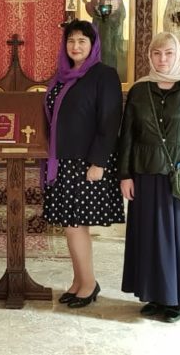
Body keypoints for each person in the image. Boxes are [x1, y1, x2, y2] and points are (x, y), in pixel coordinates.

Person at [118, 31, 180, 323]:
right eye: (157, 53)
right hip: (145, 173)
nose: (162, 59)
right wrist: (125, 174)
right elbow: (128, 136)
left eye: (169, 53)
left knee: (178, 239)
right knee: (148, 238)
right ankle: (154, 295)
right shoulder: (139, 90)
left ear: (179, 55)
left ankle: (175, 299)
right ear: (149, 55)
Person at [42, 20, 124, 308]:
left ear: (93, 45)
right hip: (63, 161)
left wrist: (98, 162)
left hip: (87, 163)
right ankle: (79, 282)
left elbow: (110, 121)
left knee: (76, 225)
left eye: (81, 41)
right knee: (70, 226)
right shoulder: (62, 77)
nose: (75, 46)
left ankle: (88, 284)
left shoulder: (104, 75)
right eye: (71, 41)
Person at [82, 0, 126, 78]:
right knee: (100, 48)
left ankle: (111, 75)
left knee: (110, 50)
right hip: (100, 24)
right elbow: (93, 6)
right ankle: (100, 75)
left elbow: (120, 7)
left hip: (111, 25)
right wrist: (87, 3)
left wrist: (112, 13)